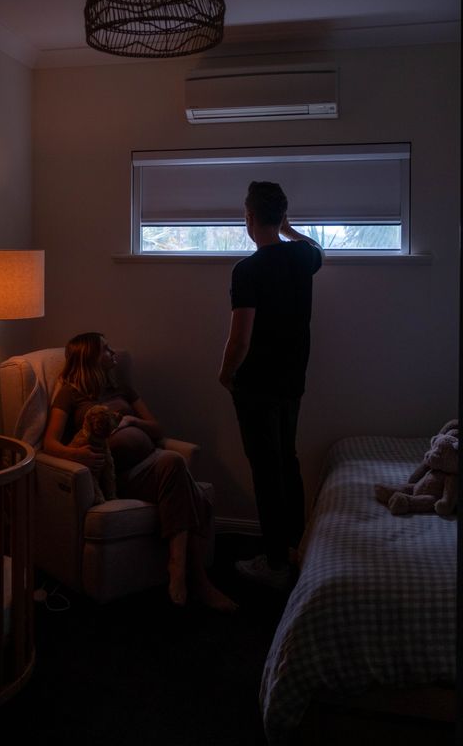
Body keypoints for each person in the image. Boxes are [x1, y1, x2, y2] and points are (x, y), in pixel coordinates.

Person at [44, 331, 237, 612]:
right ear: (89, 357)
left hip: (149, 463)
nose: (114, 353)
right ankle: (199, 581)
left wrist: (133, 421)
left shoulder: (122, 387)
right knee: (180, 473)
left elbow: (157, 429)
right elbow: (49, 442)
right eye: (105, 349)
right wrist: (76, 455)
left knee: (172, 462)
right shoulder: (71, 393)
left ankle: (180, 567)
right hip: (116, 476)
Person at [219, 181, 323, 590]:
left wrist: (225, 374)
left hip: (257, 385)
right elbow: (319, 249)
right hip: (292, 380)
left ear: (248, 218)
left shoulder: (248, 270)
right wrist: (291, 230)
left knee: (266, 470)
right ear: (281, 217)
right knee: (288, 462)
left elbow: (240, 338)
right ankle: (296, 547)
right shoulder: (301, 256)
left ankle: (276, 562)